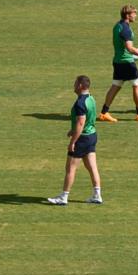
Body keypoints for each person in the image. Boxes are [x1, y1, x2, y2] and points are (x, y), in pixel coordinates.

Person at [48, 74, 102, 205]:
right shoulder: (91, 98)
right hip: (92, 136)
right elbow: (89, 118)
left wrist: (73, 141)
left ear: (80, 86)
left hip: (82, 139)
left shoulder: (80, 103)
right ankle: (97, 195)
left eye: (75, 83)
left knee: (70, 168)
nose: (73, 86)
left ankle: (63, 197)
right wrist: (73, 130)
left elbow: (80, 123)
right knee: (92, 167)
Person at [99, 7, 138, 123]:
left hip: (117, 61)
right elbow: (129, 48)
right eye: (134, 14)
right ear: (127, 15)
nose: (135, 16)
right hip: (127, 63)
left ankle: (104, 113)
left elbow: (120, 46)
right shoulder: (126, 29)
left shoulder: (117, 26)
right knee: (137, 84)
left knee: (116, 85)